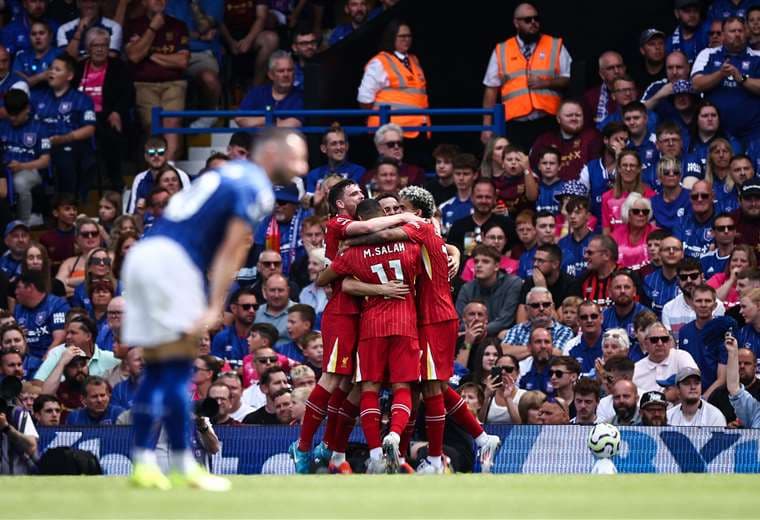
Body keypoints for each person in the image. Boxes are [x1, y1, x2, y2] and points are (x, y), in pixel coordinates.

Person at [123, 129, 307, 491]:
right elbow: (232, 249)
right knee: (177, 369)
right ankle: (182, 465)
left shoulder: (225, 174)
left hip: (144, 257)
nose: (302, 167)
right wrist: (213, 304)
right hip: (174, 265)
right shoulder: (255, 184)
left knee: (158, 368)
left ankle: (144, 462)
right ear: (271, 153)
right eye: (296, 157)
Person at [480, 2, 571, 151]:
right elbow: (491, 88)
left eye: (536, 19)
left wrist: (546, 83)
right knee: (516, 167)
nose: (533, 23)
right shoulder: (502, 50)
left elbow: (568, 80)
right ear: (516, 23)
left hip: (547, 121)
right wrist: (486, 126)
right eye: (528, 20)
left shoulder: (554, 44)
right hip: (515, 124)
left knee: (549, 166)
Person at [124, 0, 190, 161]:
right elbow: (133, 56)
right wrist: (153, 28)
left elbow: (182, 62)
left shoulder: (178, 25)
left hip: (174, 83)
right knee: (152, 126)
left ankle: (169, 168)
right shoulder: (133, 25)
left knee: (172, 124)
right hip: (144, 84)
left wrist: (149, 54)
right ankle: (156, 169)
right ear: (144, 2)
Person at [78, 27, 133, 192]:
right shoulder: (79, 67)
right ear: (88, 48)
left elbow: (128, 94)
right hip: (80, 117)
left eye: (104, 45)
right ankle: (81, 187)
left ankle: (116, 183)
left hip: (107, 115)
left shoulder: (118, 67)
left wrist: (116, 112)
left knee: (109, 134)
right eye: (96, 45)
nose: (100, 49)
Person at [35, 53, 96, 199]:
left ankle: (68, 204)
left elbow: (90, 129)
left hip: (69, 144)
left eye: (57, 70)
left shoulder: (81, 99)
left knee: (66, 156)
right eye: (51, 69)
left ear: (69, 76)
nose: (51, 73)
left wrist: (64, 138)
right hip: (41, 145)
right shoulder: (39, 97)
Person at [692, 16, 760, 142]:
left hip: (753, 132)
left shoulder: (757, 57)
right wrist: (720, 74)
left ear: (746, 33)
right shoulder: (708, 54)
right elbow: (696, 85)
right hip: (717, 133)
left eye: (740, 31)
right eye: (733, 31)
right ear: (723, 35)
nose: (737, 34)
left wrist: (742, 79)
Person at [0, 90, 50, 226]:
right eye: (10, 114)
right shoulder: (2, 125)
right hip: (3, 170)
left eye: (16, 115)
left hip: (30, 170)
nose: (12, 118)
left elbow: (45, 161)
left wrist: (22, 166)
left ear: (27, 108)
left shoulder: (40, 128)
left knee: (19, 182)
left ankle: (22, 223)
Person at [677, 284, 734, 400]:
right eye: (699, 301)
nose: (703, 305)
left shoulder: (723, 332)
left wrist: (703, 399)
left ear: (715, 305)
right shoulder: (684, 331)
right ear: (692, 304)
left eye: (707, 301)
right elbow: (682, 368)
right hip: (689, 395)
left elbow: (722, 379)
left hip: (716, 397)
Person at [455, 244, 523, 338]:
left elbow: (505, 320)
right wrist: (473, 332)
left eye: (485, 262)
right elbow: (458, 321)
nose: (479, 265)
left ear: (496, 266)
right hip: (469, 337)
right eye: (476, 261)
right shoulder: (467, 288)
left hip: (500, 337)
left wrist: (479, 331)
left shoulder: (512, 284)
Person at [530, 99, 602, 182]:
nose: (574, 118)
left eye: (578, 115)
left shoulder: (592, 137)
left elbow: (598, 171)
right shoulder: (545, 140)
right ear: (558, 119)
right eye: (569, 115)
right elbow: (534, 171)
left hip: (583, 191)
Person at [14, 271, 70, 376]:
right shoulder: (18, 309)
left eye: (18, 287)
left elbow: (59, 338)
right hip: (24, 363)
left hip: (51, 362)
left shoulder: (57, 305)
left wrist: (43, 366)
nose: (15, 292)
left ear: (30, 287)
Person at [447, 179, 517, 258]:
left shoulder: (507, 225)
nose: (483, 201)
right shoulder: (458, 226)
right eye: (479, 197)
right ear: (472, 198)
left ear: (495, 198)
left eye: (488, 197)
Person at [235, 50, 303, 128]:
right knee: (238, 137)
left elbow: (294, 124)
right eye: (281, 71)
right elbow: (240, 119)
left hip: (285, 138)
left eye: (290, 70)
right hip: (257, 138)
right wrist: (270, 120)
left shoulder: (300, 95)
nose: (286, 74)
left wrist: (258, 123)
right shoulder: (257, 93)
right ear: (271, 75)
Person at [126, 137, 191, 215]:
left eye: (160, 152)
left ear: (166, 154)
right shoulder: (139, 179)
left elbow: (189, 207)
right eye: (151, 153)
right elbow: (132, 214)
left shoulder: (181, 175)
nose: (156, 156)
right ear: (145, 156)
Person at [633, 321, 699, 393]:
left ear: (670, 341)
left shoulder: (682, 357)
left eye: (664, 339)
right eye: (654, 340)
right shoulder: (636, 370)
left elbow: (694, 383)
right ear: (645, 344)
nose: (660, 343)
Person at [304, 124, 365, 200]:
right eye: (334, 144)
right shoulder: (313, 174)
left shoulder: (358, 171)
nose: (339, 147)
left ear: (347, 146)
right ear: (323, 148)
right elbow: (308, 201)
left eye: (341, 143)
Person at [601, 150, 656, 235]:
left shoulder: (650, 196)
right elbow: (606, 232)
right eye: (624, 165)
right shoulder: (607, 197)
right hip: (614, 246)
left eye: (632, 165)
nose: (628, 169)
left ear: (639, 169)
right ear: (618, 168)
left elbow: (652, 230)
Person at [710, 346, 760, 426]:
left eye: (747, 363)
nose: (742, 366)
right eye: (738, 363)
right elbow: (709, 424)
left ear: (755, 367)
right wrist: (726, 428)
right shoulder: (718, 394)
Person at [57, 0, 122, 58]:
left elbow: (111, 57)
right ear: (78, 4)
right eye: (84, 1)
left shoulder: (114, 27)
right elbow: (67, 59)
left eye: (93, 1)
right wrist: (79, 31)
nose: (89, 5)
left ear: (99, 3)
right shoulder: (64, 29)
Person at [612, 193, 657, 270]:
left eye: (645, 212)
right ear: (627, 213)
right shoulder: (615, 236)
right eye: (636, 211)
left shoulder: (656, 234)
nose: (641, 214)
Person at [582, 51, 627, 128]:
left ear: (625, 69)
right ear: (601, 74)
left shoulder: (635, 93)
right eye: (610, 68)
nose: (616, 71)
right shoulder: (590, 97)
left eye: (619, 66)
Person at [603, 270, 651, 340]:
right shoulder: (604, 317)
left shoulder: (646, 316)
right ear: (610, 292)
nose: (622, 291)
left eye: (627, 287)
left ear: (634, 291)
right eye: (618, 287)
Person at [644, 235, 684, 317]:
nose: (671, 252)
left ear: (682, 254)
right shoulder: (648, 280)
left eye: (675, 249)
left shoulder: (690, 279)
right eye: (667, 249)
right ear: (659, 254)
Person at [439, 153, 477, 236]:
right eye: (457, 174)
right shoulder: (444, 207)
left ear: (475, 175)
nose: (461, 178)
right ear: (453, 175)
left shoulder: (482, 205)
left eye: (466, 174)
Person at [564, 300, 604, 378]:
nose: (589, 320)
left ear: (601, 318)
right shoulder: (570, 346)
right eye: (584, 317)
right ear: (578, 321)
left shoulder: (610, 344)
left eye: (594, 316)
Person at [579, 235, 620, 308]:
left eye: (590, 253)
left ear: (606, 255)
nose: (585, 256)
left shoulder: (627, 277)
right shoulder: (583, 279)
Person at [701, 213, 738, 278]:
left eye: (730, 228)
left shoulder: (743, 257)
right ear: (712, 233)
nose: (726, 231)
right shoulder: (704, 259)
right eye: (721, 228)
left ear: (735, 231)